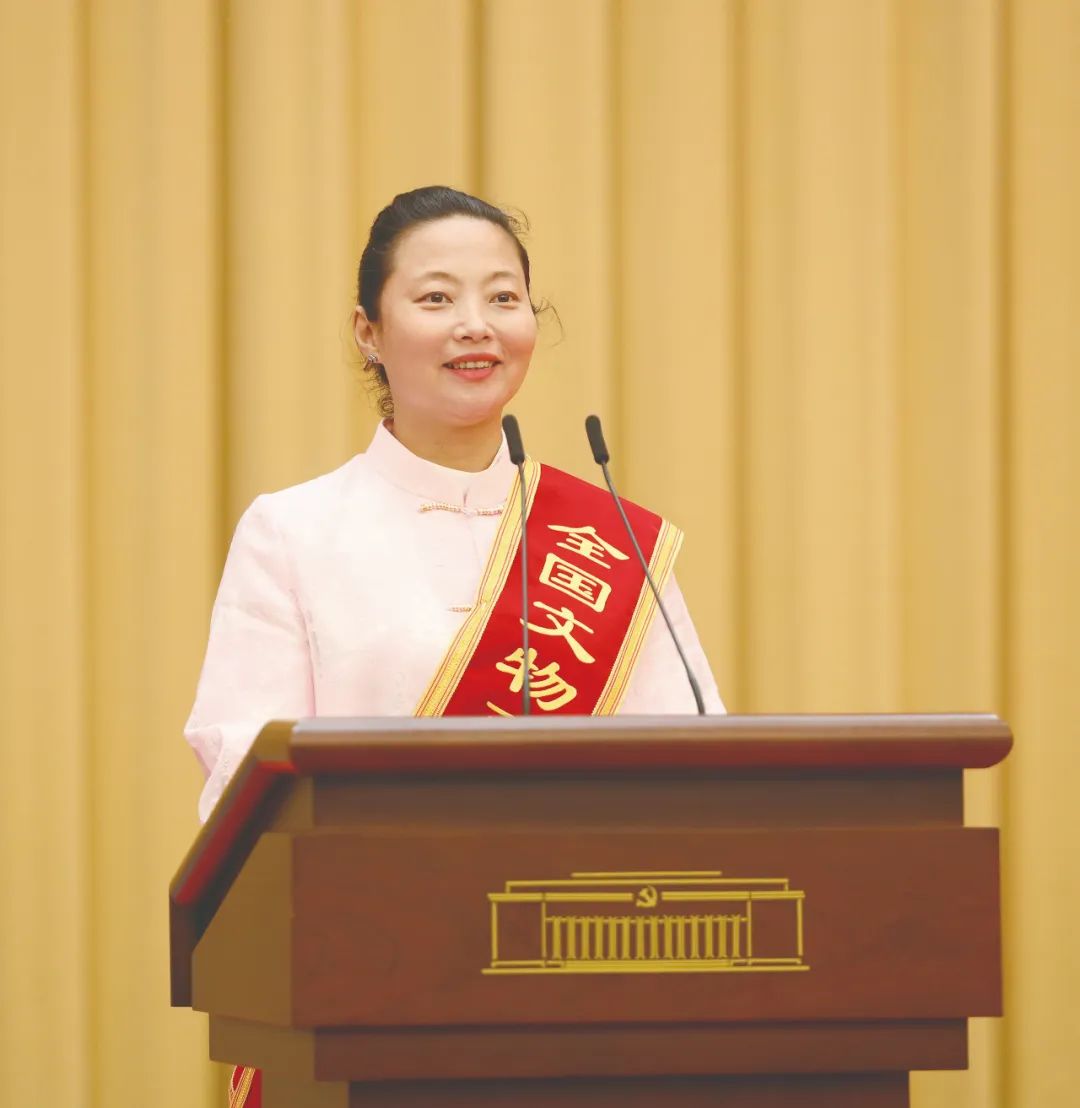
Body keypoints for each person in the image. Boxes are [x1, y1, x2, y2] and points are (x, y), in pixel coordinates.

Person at [183, 185, 724, 1107]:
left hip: (584, 1009)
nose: (476, 324)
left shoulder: (612, 542)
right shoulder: (295, 532)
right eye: (436, 298)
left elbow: (697, 771)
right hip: (373, 997)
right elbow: (246, 779)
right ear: (369, 331)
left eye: (503, 297)